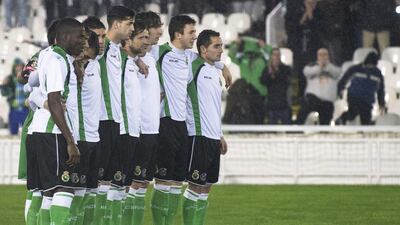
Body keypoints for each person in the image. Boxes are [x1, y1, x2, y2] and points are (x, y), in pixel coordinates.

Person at [27, 17, 85, 225]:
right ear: (64, 37)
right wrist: (70, 142)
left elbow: (29, 83)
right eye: (79, 36)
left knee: (48, 193)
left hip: (40, 131)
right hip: (53, 133)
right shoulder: (57, 60)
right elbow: (54, 100)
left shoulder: (47, 55)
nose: (83, 40)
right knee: (65, 187)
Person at [92, 6, 134, 225]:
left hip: (116, 122)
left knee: (109, 182)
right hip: (101, 121)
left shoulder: (118, 50)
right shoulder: (102, 47)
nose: (132, 28)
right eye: (129, 24)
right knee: (98, 183)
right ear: (116, 24)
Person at [183, 29, 228, 225]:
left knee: (206, 187)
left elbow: (213, 106)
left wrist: (220, 134)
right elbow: (179, 53)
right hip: (198, 135)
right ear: (203, 49)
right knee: (195, 187)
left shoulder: (213, 71)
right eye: (216, 46)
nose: (221, 50)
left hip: (213, 136)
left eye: (221, 46)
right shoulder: (193, 67)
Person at [122, 11, 163, 225]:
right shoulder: (126, 59)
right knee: (129, 184)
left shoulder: (151, 58)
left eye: (149, 37)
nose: (149, 40)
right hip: (135, 129)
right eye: (144, 37)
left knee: (141, 184)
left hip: (151, 129)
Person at [118, 20, 150, 225]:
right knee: (115, 187)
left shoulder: (133, 63)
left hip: (134, 131)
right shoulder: (116, 60)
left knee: (127, 187)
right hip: (120, 132)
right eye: (142, 38)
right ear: (128, 40)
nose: (147, 42)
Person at [228, 36, 272, 123]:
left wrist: (264, 46)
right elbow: (231, 55)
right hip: (245, 93)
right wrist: (236, 44)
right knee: (248, 118)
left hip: (260, 93)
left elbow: (273, 57)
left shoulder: (263, 58)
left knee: (259, 118)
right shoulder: (242, 58)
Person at [337, 52, 385, 125]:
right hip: (354, 96)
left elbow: (380, 90)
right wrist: (340, 90)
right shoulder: (356, 69)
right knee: (352, 114)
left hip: (368, 100)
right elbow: (344, 79)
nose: (370, 67)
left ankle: (364, 134)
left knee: (366, 119)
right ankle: (342, 118)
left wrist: (381, 103)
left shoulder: (378, 74)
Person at [296, 48, 341, 125]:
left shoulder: (334, 67)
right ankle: (296, 128)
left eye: (324, 54)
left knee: (326, 118)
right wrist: (320, 67)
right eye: (320, 55)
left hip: (327, 100)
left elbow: (337, 73)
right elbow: (306, 72)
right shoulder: (311, 66)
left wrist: (327, 66)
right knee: (304, 109)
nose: (322, 57)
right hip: (313, 98)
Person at [260, 48, 292, 124]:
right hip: (271, 104)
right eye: (274, 54)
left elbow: (286, 80)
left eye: (278, 54)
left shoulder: (286, 68)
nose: (276, 57)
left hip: (284, 103)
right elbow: (263, 81)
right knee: (272, 128)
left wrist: (277, 72)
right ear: (271, 56)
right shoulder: (267, 69)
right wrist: (269, 73)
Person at [0, 58, 29, 135]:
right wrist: (3, 85)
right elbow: (4, 93)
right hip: (14, 109)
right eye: (16, 66)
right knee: (13, 132)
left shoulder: (27, 77)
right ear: (14, 67)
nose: (18, 68)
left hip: (25, 109)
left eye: (20, 66)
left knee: (27, 132)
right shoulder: (10, 78)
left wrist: (28, 101)